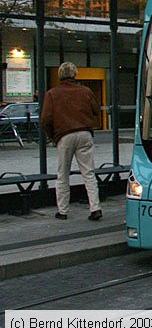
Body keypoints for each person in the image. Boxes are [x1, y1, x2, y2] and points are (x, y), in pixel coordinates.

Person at [40, 62, 102, 221]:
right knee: (89, 173)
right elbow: (96, 110)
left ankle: (63, 211)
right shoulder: (86, 91)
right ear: (75, 74)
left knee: (63, 175)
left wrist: (53, 136)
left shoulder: (52, 93)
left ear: (60, 75)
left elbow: (45, 119)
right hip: (84, 133)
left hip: (64, 136)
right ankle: (95, 208)